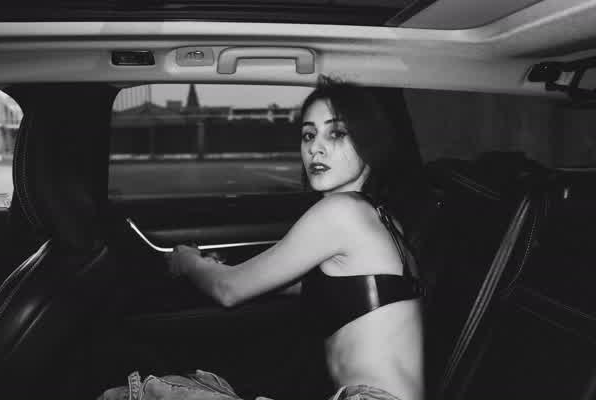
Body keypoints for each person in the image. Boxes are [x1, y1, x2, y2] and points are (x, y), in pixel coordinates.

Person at [98, 76, 426, 400]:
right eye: (308, 135)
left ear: (368, 141)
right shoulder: (380, 217)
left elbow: (229, 290)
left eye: (336, 133)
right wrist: (217, 268)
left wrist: (189, 262)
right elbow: (311, 285)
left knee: (137, 395)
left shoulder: (343, 212)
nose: (315, 147)